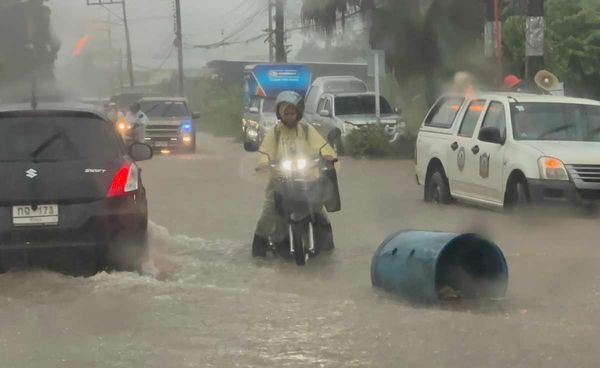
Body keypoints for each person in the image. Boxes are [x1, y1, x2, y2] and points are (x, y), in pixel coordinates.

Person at [252, 91, 337, 257]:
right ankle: (258, 249)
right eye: (286, 113)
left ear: (298, 113)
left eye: (292, 113)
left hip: (307, 178)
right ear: (280, 114)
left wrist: (328, 155)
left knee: (319, 210)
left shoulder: (306, 129)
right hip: (280, 179)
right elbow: (265, 151)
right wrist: (263, 162)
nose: (289, 116)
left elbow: (322, 146)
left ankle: (327, 246)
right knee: (268, 213)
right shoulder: (274, 132)